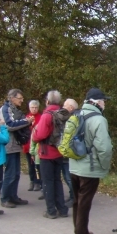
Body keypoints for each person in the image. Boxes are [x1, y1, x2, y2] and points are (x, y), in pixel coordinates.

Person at [69, 88, 113, 234]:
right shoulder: (99, 120)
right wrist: (104, 165)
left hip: (73, 166)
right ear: (96, 102)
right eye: (103, 101)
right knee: (84, 203)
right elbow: (104, 148)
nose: (104, 104)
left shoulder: (75, 114)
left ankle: (81, 232)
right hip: (89, 168)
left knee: (76, 202)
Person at [32, 90, 69, 219]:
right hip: (59, 151)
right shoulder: (62, 114)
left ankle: (51, 211)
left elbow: (40, 134)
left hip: (46, 152)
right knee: (57, 180)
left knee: (48, 182)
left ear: (47, 101)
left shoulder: (47, 115)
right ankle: (62, 209)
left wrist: (34, 135)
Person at [0, 89, 34, 208]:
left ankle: (13, 196)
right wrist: (27, 121)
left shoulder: (14, 109)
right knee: (10, 173)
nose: (22, 100)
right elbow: (10, 125)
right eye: (20, 98)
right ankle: (5, 198)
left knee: (16, 173)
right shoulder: (6, 109)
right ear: (12, 98)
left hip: (15, 145)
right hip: (8, 145)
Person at [61, 98, 79, 207]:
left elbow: (68, 135)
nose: (63, 107)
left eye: (65, 105)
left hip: (69, 151)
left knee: (68, 176)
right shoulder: (77, 116)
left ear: (71, 107)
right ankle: (73, 195)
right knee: (68, 176)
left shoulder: (72, 118)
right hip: (71, 151)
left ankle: (74, 197)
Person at [24, 100, 42, 192]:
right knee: (30, 165)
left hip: (37, 146)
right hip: (28, 145)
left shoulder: (41, 118)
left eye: (36, 107)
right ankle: (32, 181)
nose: (34, 109)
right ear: (29, 108)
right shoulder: (26, 118)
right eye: (32, 107)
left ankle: (38, 182)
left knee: (37, 165)